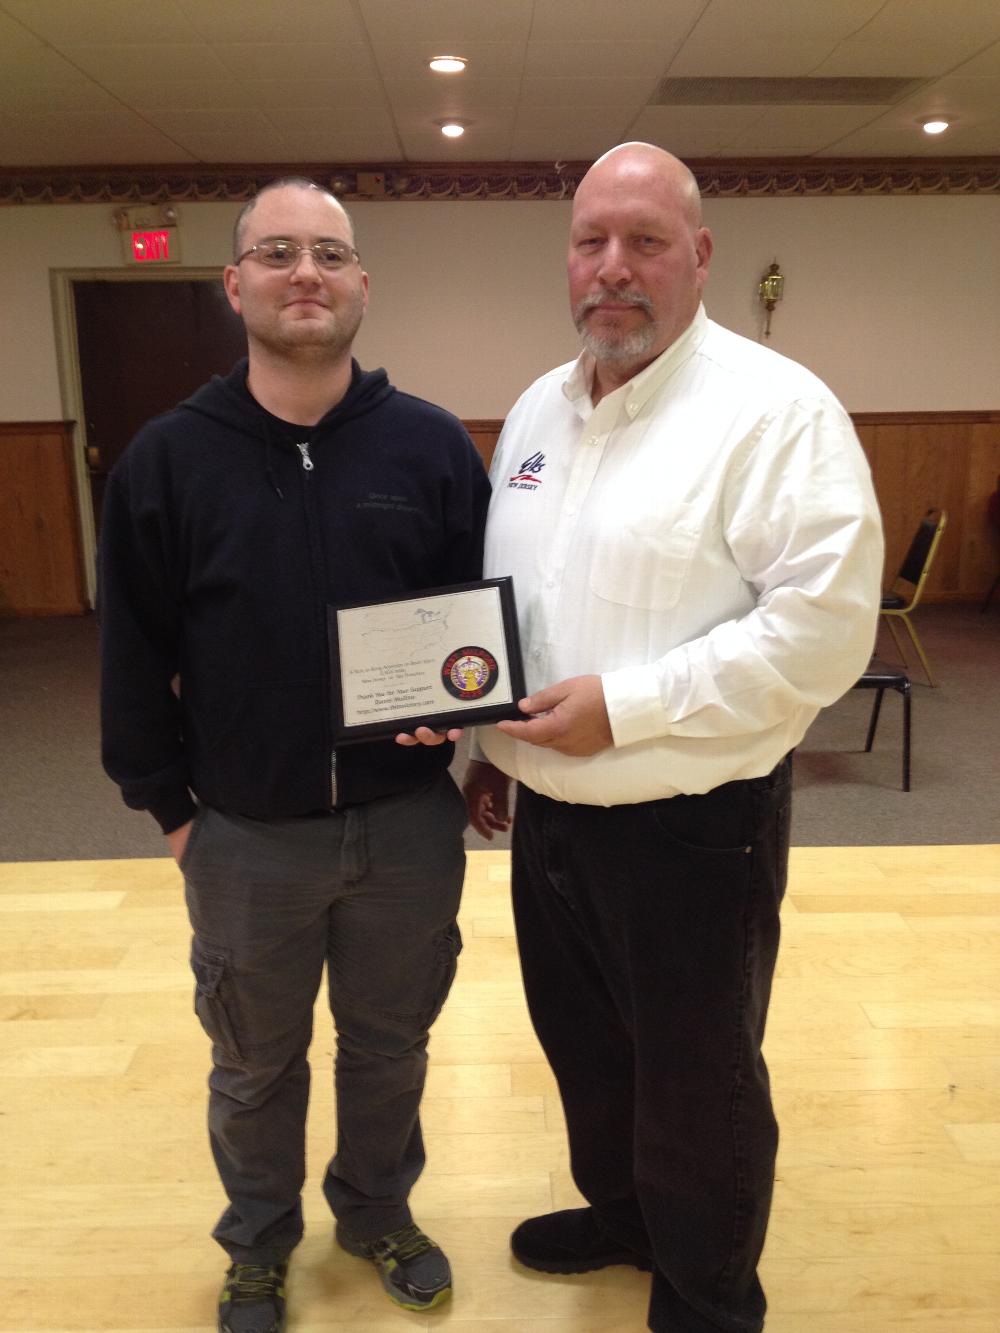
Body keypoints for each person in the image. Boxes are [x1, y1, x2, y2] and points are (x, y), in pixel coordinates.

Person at [463, 143, 884, 1332]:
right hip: (547, 816)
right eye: (591, 241)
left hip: (694, 829)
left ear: (699, 257)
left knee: (697, 1086)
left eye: (645, 241)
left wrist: (629, 711)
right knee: (587, 1051)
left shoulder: (775, 413)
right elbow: (521, 603)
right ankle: (627, 1219)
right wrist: (489, 750)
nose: (613, 268)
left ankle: (707, 1293)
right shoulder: (545, 406)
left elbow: (820, 635)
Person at [98, 178, 490, 1333]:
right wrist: (171, 810)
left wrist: (461, 722)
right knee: (254, 1064)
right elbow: (131, 652)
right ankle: (259, 1243)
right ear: (235, 285)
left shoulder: (425, 446)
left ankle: (376, 1212)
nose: (304, 272)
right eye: (276, 253)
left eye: (328, 252)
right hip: (245, 837)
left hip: (408, 827)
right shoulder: (168, 460)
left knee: (391, 1045)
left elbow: (474, 620)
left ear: (362, 284)